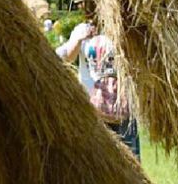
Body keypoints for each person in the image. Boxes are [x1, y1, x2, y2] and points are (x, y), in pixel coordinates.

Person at [56, 19, 140, 157]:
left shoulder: (123, 24)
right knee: (98, 157)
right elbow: (66, 57)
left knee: (130, 157)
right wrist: (78, 40)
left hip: (122, 106)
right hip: (93, 107)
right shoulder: (81, 29)